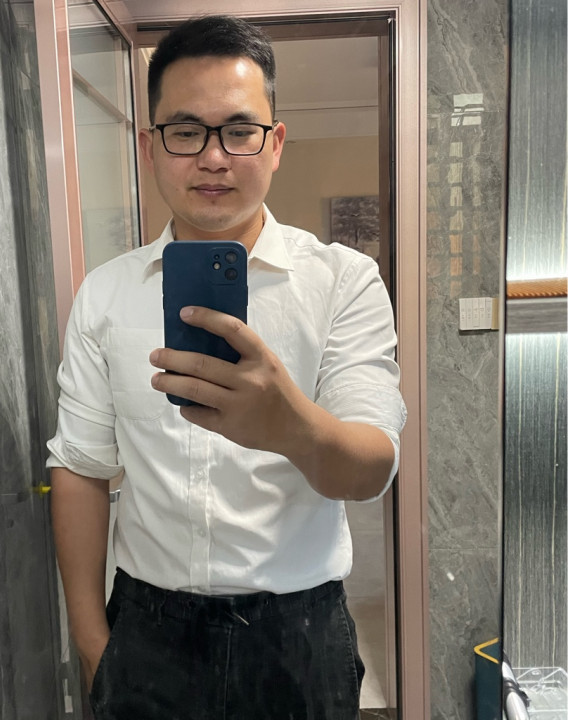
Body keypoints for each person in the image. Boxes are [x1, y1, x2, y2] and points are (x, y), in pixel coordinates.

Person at [47, 15, 406, 720]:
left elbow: (371, 470)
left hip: (299, 637)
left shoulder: (343, 281)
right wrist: (92, 645)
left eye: (239, 131)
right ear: (150, 146)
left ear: (276, 144)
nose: (213, 158)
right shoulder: (106, 295)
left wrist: (289, 424)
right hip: (145, 632)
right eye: (186, 131)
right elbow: (81, 467)